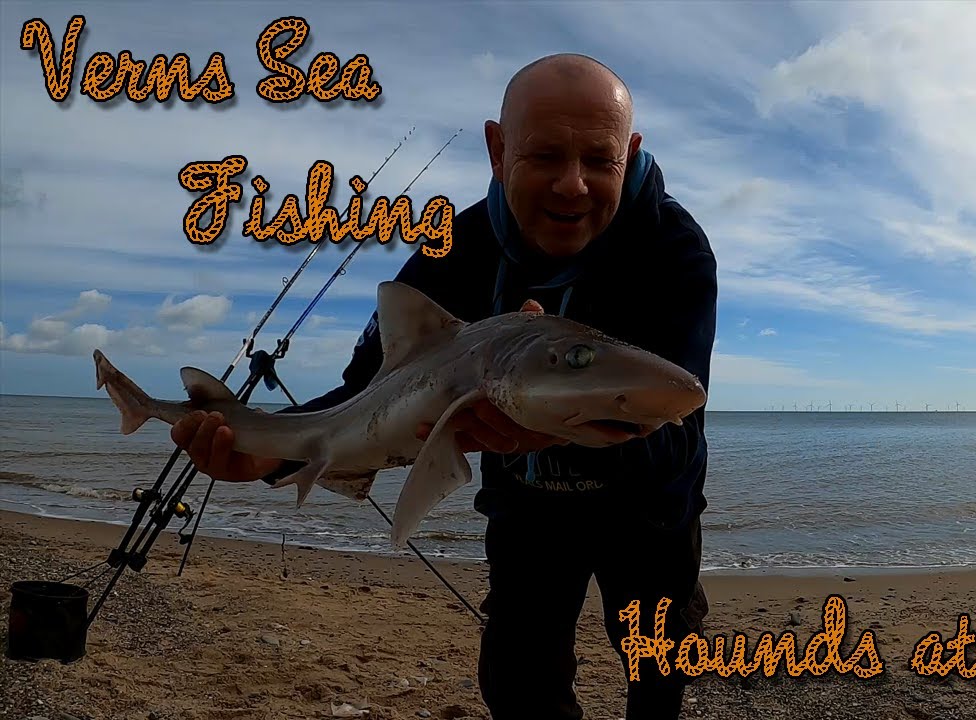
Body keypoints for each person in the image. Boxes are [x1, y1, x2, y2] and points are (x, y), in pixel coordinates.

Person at [170, 53, 718, 719]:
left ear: (630, 153)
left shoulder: (674, 250)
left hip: (651, 515)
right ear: (498, 147)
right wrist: (260, 453)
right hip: (530, 514)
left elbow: (679, 427)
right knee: (519, 685)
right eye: (545, 155)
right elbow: (364, 395)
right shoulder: (451, 251)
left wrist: (551, 429)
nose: (572, 186)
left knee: (658, 674)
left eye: (599, 161)